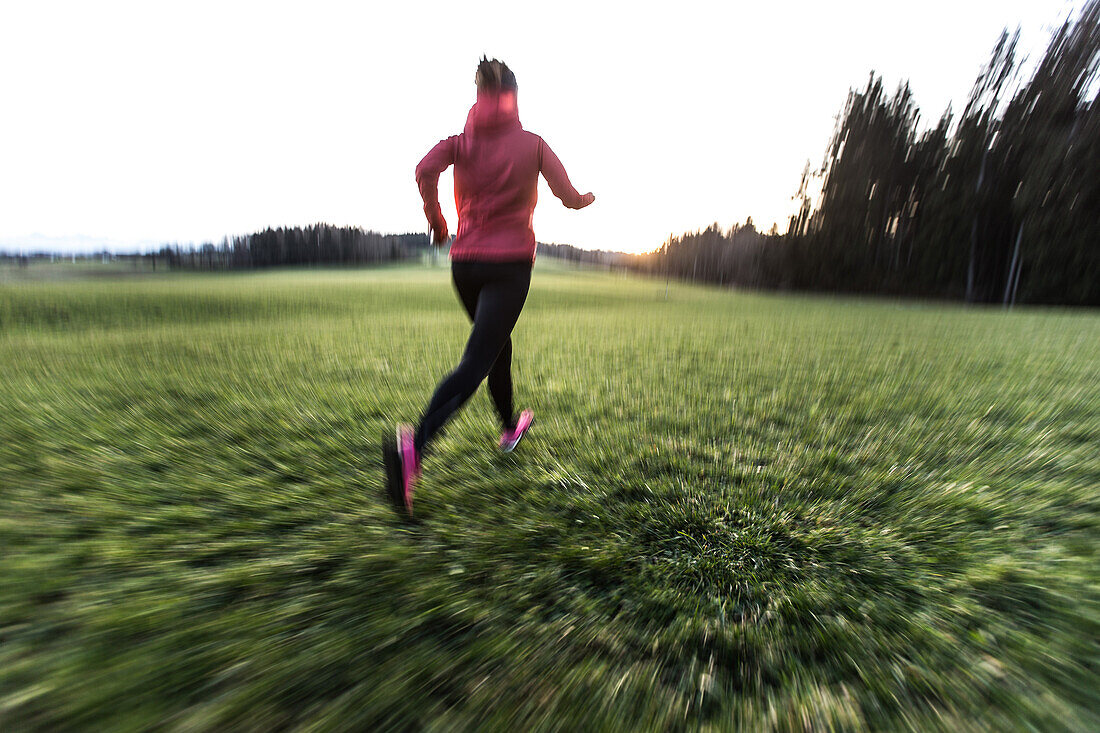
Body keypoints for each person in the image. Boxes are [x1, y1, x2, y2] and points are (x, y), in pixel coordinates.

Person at [383, 57, 595, 516]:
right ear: (514, 96)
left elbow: (424, 170)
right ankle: (412, 449)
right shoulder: (534, 145)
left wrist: (438, 222)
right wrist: (584, 200)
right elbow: (567, 195)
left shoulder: (460, 143)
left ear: (479, 95)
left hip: (466, 266)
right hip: (510, 267)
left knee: (497, 346)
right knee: (477, 361)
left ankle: (508, 428)